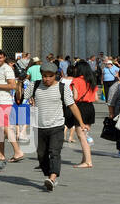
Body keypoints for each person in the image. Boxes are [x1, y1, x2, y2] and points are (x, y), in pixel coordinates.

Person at [28, 63, 85, 191]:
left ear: (56, 76)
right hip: (39, 126)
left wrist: (81, 122)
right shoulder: (35, 85)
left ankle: (52, 178)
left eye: (50, 76)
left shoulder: (62, 88)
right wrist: (19, 86)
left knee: (54, 152)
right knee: (41, 155)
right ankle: (49, 176)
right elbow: (21, 98)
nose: (46, 79)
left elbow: (72, 106)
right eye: (44, 76)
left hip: (57, 126)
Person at [0, 49, 24, 163]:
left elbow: (12, 85)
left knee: (5, 127)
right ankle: (1, 153)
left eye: (0, 57)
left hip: (4, 101)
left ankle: (18, 151)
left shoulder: (7, 69)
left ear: (4, 58)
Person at [67, 58, 96, 169]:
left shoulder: (76, 81)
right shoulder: (91, 81)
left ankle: (88, 161)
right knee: (86, 134)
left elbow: (75, 97)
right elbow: (96, 98)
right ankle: (84, 159)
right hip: (90, 108)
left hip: (80, 108)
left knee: (81, 136)